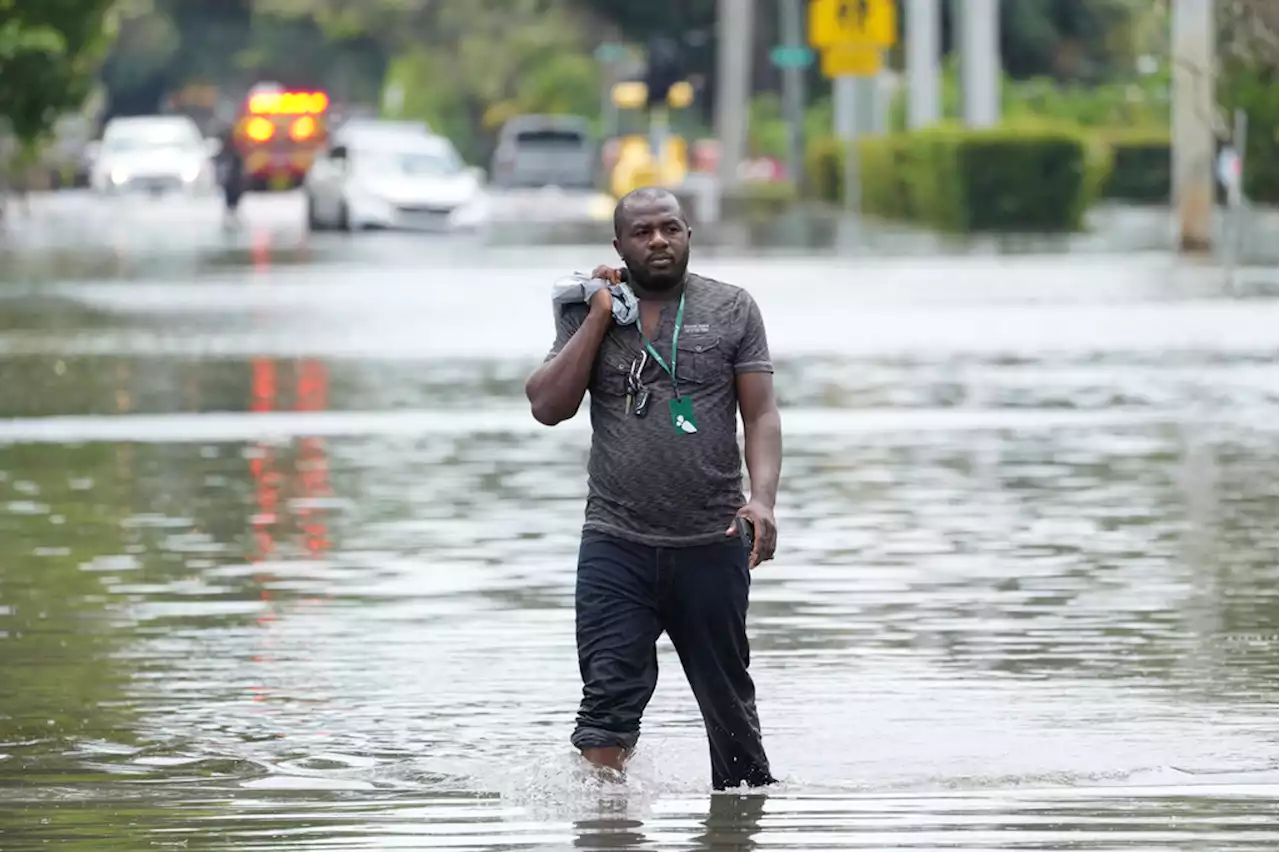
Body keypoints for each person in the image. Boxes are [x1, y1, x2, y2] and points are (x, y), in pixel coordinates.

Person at [524, 186, 783, 790]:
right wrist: (596, 317)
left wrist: (763, 499)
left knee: (731, 715)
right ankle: (607, 825)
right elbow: (547, 406)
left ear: (689, 234)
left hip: (713, 540)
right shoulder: (588, 310)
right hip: (617, 543)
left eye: (670, 228)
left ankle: (741, 822)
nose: (658, 240)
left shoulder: (732, 308)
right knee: (605, 710)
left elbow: (762, 414)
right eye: (642, 232)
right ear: (619, 246)